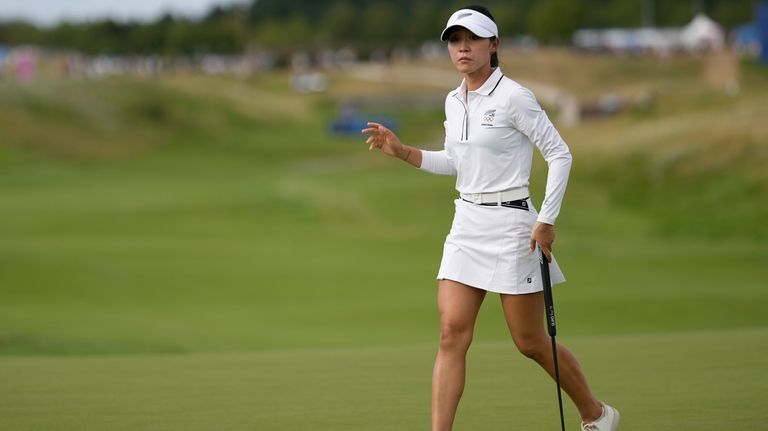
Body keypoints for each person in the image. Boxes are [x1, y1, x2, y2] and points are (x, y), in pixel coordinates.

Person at [361, 5, 620, 431]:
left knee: (531, 342)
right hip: (467, 224)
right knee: (451, 333)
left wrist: (547, 220)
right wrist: (404, 152)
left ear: (493, 45)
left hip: (513, 224)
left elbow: (559, 154)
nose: (462, 48)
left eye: (472, 39)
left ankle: (596, 413)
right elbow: (456, 163)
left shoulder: (515, 97)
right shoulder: (453, 99)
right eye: (455, 41)